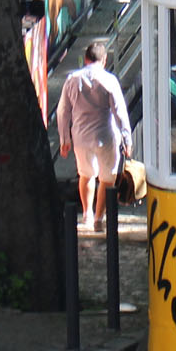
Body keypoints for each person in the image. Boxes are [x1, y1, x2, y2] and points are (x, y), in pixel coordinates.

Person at [55, 39, 131, 234]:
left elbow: (63, 110)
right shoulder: (109, 80)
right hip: (106, 135)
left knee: (86, 174)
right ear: (104, 60)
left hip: (80, 136)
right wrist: (126, 139)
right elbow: (119, 112)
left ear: (86, 59)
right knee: (107, 178)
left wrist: (64, 139)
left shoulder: (73, 79)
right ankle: (99, 218)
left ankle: (87, 215)